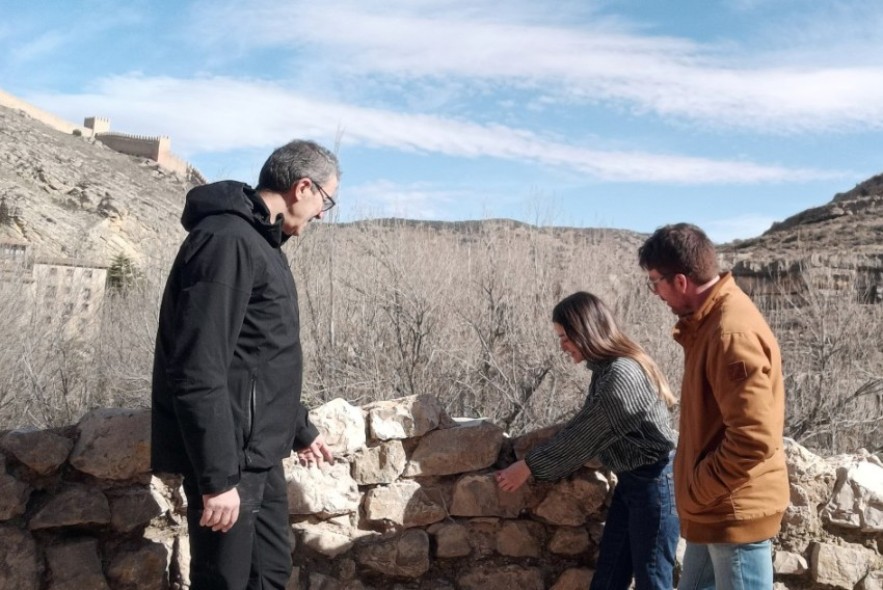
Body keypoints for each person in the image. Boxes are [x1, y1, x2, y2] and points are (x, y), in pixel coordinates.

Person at [151, 139, 339, 590]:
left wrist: (298, 427)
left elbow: (260, 356)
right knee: (228, 582)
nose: (324, 214)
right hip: (230, 459)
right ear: (303, 188)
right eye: (327, 201)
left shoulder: (261, 243)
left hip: (258, 455)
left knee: (269, 572)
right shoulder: (227, 241)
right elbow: (197, 367)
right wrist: (217, 479)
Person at [638, 223, 789, 590]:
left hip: (732, 515)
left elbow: (754, 437)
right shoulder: (709, 324)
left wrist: (700, 487)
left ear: (681, 281)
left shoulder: (728, 332)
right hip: (714, 512)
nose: (655, 292)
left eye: (655, 281)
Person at [496, 291, 679, 590]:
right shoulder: (607, 370)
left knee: (653, 580)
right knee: (608, 579)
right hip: (633, 485)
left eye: (565, 336)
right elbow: (586, 425)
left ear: (586, 330)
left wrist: (527, 466)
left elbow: (584, 435)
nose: (562, 345)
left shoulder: (622, 375)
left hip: (655, 485)